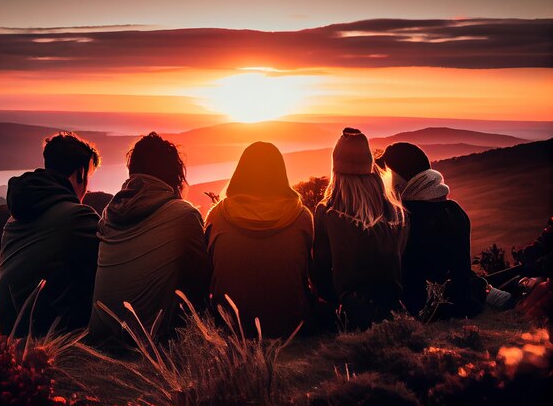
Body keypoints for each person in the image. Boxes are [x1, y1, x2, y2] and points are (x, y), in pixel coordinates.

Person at [88, 132, 210, 346]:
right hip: (148, 347)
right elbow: (203, 281)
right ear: (174, 175)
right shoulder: (182, 215)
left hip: (99, 341)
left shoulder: (109, 214)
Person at [0, 132, 101, 337]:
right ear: (80, 173)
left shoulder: (15, 216)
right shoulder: (77, 217)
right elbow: (111, 260)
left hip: (6, 327)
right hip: (41, 336)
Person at [205, 142, 313, 338]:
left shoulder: (218, 216)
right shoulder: (302, 217)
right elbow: (308, 273)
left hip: (230, 326)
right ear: (281, 175)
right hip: (291, 325)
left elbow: (207, 270)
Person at [312, 128, 407, 331]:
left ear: (335, 169)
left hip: (347, 314)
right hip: (391, 310)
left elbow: (320, 273)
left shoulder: (327, 212)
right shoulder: (395, 212)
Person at [376, 142, 471, 319]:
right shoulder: (454, 210)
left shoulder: (407, 217)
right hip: (461, 302)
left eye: (390, 175)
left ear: (401, 179)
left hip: (421, 308)